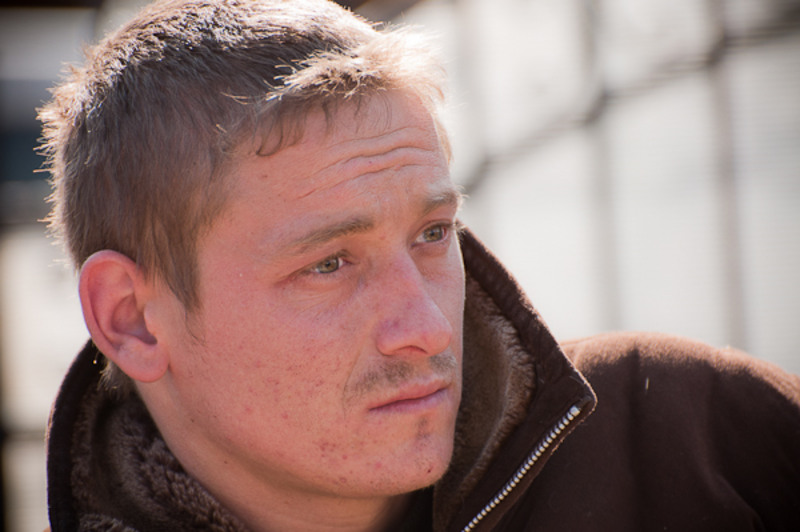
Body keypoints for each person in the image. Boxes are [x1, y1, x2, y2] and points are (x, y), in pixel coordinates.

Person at [39, 0, 800, 531]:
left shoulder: (693, 438)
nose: (428, 328)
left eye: (433, 234)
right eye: (329, 264)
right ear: (132, 320)